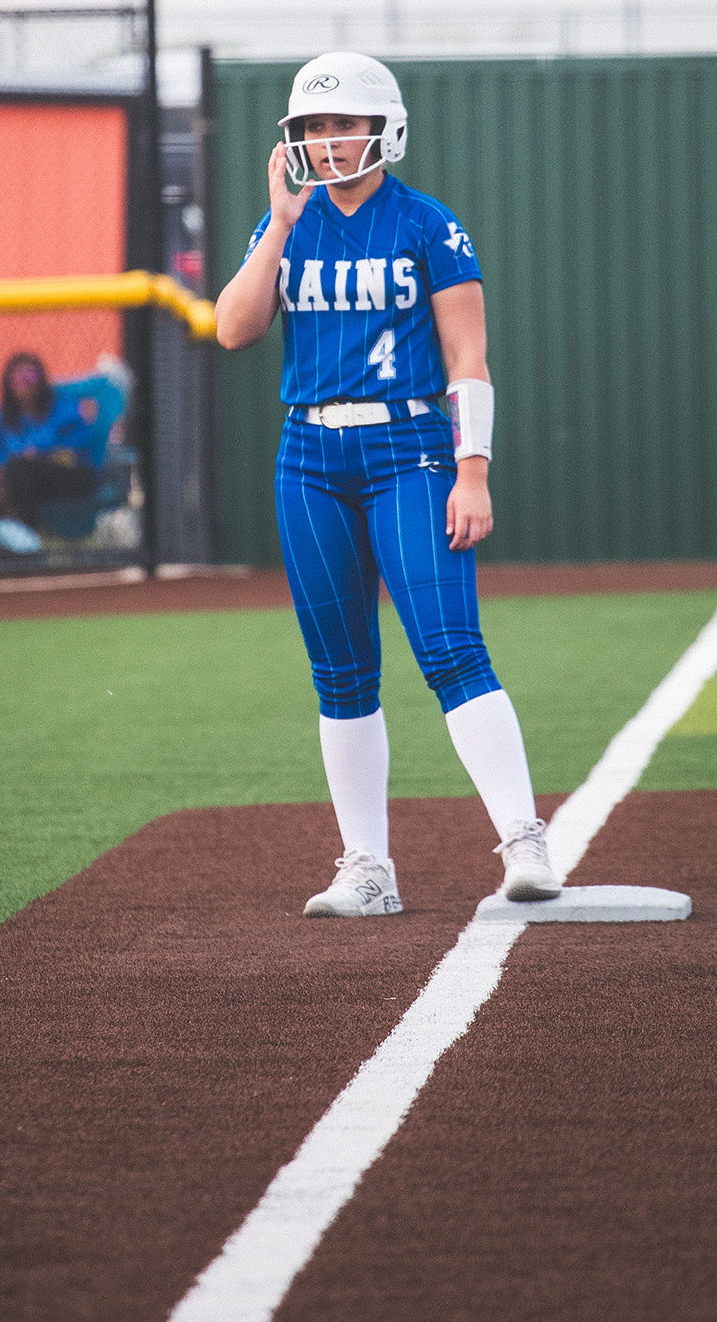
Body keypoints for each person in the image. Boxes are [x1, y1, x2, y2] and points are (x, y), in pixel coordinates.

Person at [213, 50, 561, 919]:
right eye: (314, 126)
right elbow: (232, 328)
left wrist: (473, 470)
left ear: (384, 128)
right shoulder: (286, 224)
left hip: (409, 448)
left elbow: (468, 357)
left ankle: (523, 837)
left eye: (344, 124)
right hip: (308, 456)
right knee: (340, 671)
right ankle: (368, 866)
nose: (329, 140)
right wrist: (278, 225)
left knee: (450, 647)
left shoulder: (428, 224)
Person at [0, 350, 107, 528]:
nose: (25, 383)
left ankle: (23, 531)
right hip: (18, 480)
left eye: (31, 376)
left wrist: (40, 455)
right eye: (18, 378)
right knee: (11, 475)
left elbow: (78, 449)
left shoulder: (63, 409)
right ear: (8, 383)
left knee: (21, 469)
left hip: (67, 477)